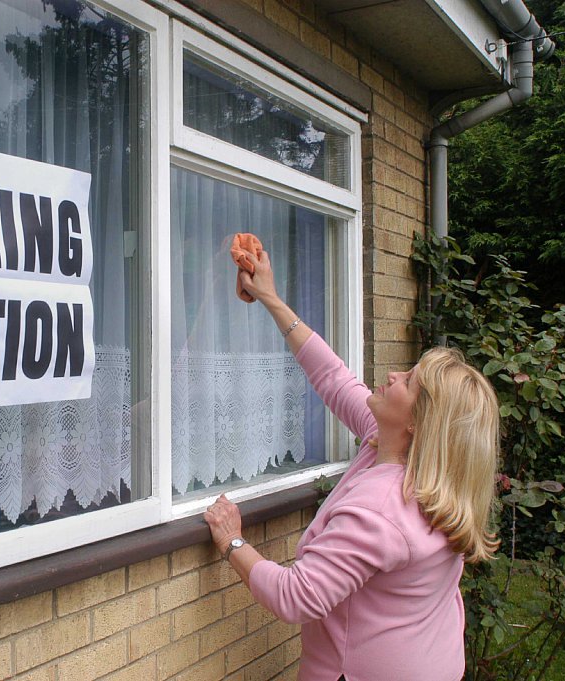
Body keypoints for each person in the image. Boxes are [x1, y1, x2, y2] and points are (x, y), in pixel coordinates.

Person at [204, 247, 500, 681]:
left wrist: (232, 542)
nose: (396, 375)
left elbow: (296, 596)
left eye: (411, 382)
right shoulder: (410, 459)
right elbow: (333, 377)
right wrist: (269, 296)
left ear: (420, 423)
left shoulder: (381, 509)